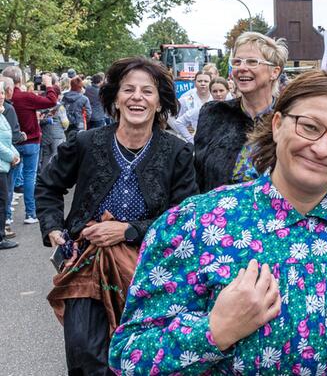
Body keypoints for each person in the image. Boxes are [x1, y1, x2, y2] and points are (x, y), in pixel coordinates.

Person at [110, 70, 327, 374]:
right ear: (278, 124)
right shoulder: (196, 225)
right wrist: (215, 331)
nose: (323, 148)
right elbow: (129, 356)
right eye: (309, 127)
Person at [36, 57, 198, 375]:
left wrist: (128, 231)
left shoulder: (177, 152)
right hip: (87, 265)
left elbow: (184, 217)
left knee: (142, 356)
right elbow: (48, 184)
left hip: (148, 269)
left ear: (160, 101)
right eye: (129, 89)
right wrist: (54, 227)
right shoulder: (86, 143)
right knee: (85, 352)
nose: (137, 97)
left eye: (147, 91)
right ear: (115, 98)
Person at [194, 32, 287, 192]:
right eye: (237, 62)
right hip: (218, 212)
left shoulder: (289, 118)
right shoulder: (214, 113)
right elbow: (198, 175)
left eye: (252, 62)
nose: (242, 68)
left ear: (274, 72)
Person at [2, 67, 59, 225]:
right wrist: (48, 85)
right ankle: (30, 213)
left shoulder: (8, 99)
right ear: (20, 79)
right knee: (29, 177)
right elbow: (51, 101)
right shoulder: (26, 97)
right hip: (31, 141)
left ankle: (6, 215)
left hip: (11, 143)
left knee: (9, 180)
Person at [173, 77, 229, 143]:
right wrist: (191, 140)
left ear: (227, 91)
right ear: (210, 92)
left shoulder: (234, 110)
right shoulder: (203, 109)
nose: (218, 94)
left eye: (221, 90)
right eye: (215, 91)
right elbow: (178, 122)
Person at [1, 77, 23, 236]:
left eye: (2, 93)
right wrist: (12, 156)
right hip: (2, 163)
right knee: (2, 200)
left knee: (4, 198)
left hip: (5, 162)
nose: (1, 96)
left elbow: (6, 139)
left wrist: (15, 154)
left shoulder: (3, 112)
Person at [169, 71, 213, 140]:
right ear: (195, 83)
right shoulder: (185, 100)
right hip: (190, 140)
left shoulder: (215, 99)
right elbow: (177, 120)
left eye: (206, 81)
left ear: (211, 83)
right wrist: (185, 129)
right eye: (200, 81)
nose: (203, 84)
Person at [39, 93, 69, 170]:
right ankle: (54, 177)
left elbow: (39, 120)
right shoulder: (60, 107)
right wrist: (64, 128)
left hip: (45, 135)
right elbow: (65, 123)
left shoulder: (41, 105)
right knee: (57, 156)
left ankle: (43, 176)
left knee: (46, 156)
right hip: (57, 136)